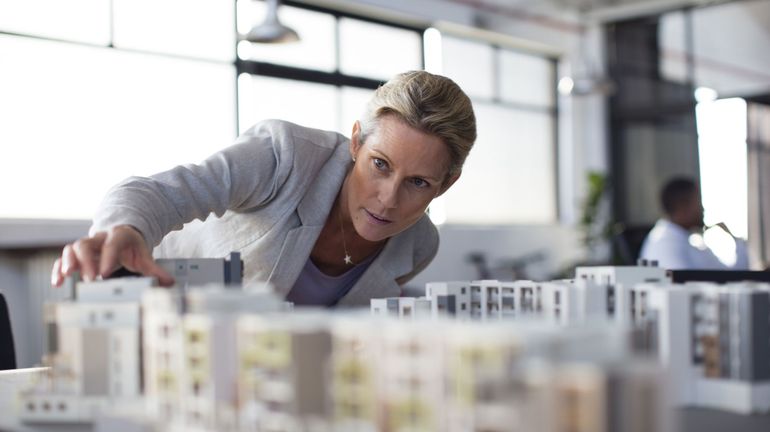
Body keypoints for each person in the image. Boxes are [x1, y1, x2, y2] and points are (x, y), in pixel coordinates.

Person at [50, 71, 477, 306]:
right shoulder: (285, 156)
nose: (388, 198)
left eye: (418, 182)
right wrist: (125, 231)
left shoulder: (418, 246)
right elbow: (159, 192)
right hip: (163, 321)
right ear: (355, 143)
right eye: (379, 165)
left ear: (446, 184)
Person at [639, 177, 748, 270]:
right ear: (682, 206)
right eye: (698, 202)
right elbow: (682, 288)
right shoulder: (663, 244)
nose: (703, 209)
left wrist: (735, 239)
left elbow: (732, 274)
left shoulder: (691, 243)